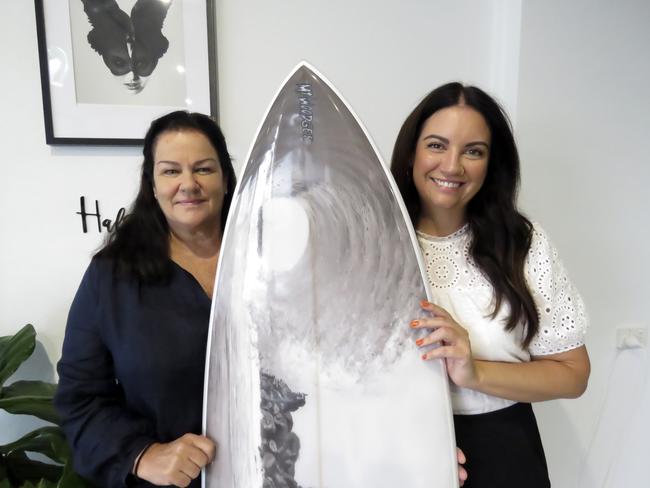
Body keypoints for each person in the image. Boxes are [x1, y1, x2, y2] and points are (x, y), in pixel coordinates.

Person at [391, 83, 590, 487]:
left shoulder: (522, 243)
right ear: (412, 152)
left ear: (491, 163)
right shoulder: (373, 240)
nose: (452, 166)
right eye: (436, 145)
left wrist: (474, 373)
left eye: (473, 151)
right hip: (397, 449)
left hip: (506, 455)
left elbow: (573, 374)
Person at [55, 110, 236, 487]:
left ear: (225, 178)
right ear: (152, 185)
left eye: (203, 169)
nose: (188, 184)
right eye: (171, 171)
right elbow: (80, 400)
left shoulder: (273, 259)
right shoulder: (111, 277)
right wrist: (143, 455)